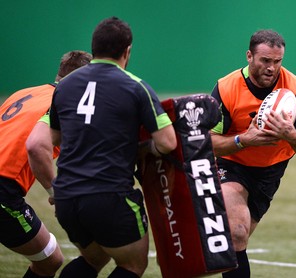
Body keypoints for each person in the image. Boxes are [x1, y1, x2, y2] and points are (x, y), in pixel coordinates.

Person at [49, 17, 177, 278]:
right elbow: (168, 142)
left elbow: (55, 138)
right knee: (132, 265)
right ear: (127, 51)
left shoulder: (65, 86)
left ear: (93, 47)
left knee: (93, 258)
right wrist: (142, 148)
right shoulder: (135, 86)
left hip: (66, 198)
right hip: (108, 196)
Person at [210, 29, 296, 277]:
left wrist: (289, 134)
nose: (272, 68)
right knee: (236, 232)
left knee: (236, 241)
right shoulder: (226, 88)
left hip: (271, 172)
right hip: (231, 164)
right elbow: (207, 142)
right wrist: (243, 140)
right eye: (265, 61)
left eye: (277, 61)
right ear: (249, 56)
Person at [0, 50, 92, 278]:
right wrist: (56, 192)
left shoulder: (25, 93)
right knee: (51, 260)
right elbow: (36, 148)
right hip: (3, 192)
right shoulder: (63, 103)